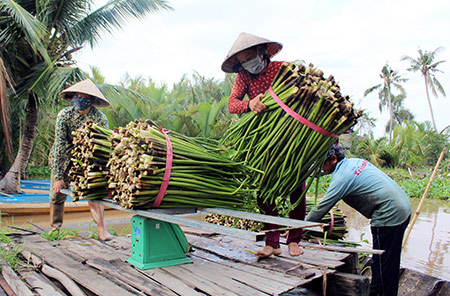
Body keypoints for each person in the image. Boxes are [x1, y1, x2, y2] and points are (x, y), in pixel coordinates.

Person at [221, 32, 306, 258]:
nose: (247, 63)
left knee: (296, 189)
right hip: (264, 140)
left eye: (249, 57)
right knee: (264, 191)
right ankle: (273, 242)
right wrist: (250, 104)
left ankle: (294, 240)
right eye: (242, 61)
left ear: (261, 52)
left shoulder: (282, 69)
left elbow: (302, 91)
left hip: (291, 135)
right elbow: (232, 104)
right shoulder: (244, 77)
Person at [306, 144, 412, 296]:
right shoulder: (353, 162)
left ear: (334, 159)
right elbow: (324, 173)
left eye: (322, 164)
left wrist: (299, 226)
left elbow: (320, 209)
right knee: (388, 262)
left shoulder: (342, 179)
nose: (321, 169)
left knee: (381, 265)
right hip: (403, 207)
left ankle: (379, 293)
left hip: (389, 215)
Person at [48, 79, 112, 241]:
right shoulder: (65, 115)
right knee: (57, 194)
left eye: (83, 97)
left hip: (87, 161)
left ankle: (102, 230)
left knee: (93, 193)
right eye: (77, 96)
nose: (79, 99)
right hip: (63, 159)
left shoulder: (99, 118)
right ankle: (55, 229)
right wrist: (58, 177)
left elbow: (103, 146)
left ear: (91, 100)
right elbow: (60, 145)